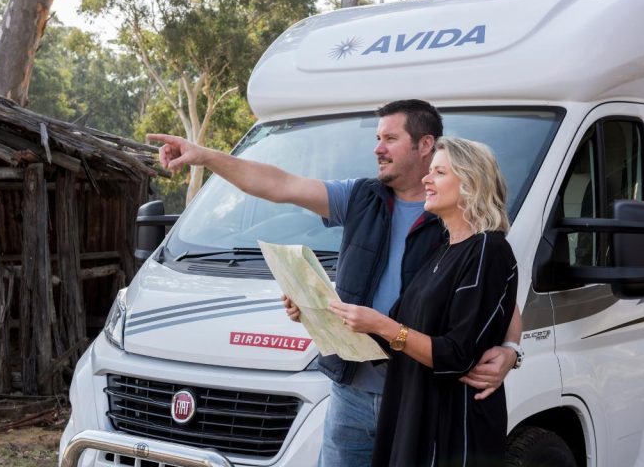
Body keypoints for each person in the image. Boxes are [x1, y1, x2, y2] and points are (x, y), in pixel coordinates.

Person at [147, 100, 522, 467]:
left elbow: (497, 298)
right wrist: (206, 156)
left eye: (390, 139)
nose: (378, 148)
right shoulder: (360, 198)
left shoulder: (454, 221)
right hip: (351, 391)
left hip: (418, 394)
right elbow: (279, 184)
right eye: (378, 138)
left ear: (424, 145)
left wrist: (509, 349)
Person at [329, 137, 518, 466]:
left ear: (471, 184)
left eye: (439, 172)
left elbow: (457, 354)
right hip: (412, 413)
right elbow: (397, 336)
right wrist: (313, 308)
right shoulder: (442, 250)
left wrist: (384, 326)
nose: (426, 180)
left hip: (450, 427)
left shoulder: (489, 249)